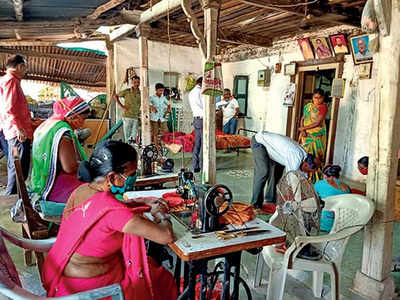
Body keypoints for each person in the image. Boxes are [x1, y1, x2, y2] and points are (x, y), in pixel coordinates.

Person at [42, 140, 178, 299]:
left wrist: (143, 202)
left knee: (150, 265)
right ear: (112, 177)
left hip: (63, 272)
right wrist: (161, 214)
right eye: (130, 175)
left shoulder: (81, 191)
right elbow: (166, 235)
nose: (132, 179)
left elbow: (110, 207)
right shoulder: (114, 212)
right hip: (93, 288)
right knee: (160, 278)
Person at [29, 97, 90, 205]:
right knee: (94, 191)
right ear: (73, 115)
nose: (83, 123)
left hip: (38, 180)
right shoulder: (63, 131)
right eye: (83, 119)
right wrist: (88, 165)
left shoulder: (48, 124)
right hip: (51, 186)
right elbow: (69, 167)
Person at [251, 130, 320, 211]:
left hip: (274, 150)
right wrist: (297, 197)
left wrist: (306, 194)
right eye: (309, 171)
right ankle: (255, 205)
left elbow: (302, 180)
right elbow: (290, 180)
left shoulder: (305, 160)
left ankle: (270, 201)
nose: (308, 173)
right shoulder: (296, 157)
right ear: (306, 165)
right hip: (260, 141)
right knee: (263, 172)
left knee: (276, 174)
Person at [0, 55, 33, 195]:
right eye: (25, 67)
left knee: (15, 167)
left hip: (13, 132)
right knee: (18, 169)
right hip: (18, 134)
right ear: (20, 66)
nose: (25, 71)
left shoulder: (5, 80)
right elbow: (9, 108)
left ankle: (14, 199)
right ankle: (11, 201)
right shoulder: (11, 81)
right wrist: (19, 128)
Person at [299, 89, 328, 163]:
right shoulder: (308, 106)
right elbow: (303, 119)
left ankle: (315, 173)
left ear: (323, 98)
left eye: (320, 98)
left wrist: (303, 128)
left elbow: (318, 123)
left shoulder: (323, 107)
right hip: (305, 134)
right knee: (303, 154)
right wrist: (303, 131)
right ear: (312, 97)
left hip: (317, 135)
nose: (317, 100)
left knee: (316, 157)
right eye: (315, 97)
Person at [114, 75, 141, 144]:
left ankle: (133, 149)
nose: (136, 84)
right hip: (127, 116)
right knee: (127, 136)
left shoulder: (141, 93)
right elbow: (115, 96)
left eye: (138, 82)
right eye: (135, 82)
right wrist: (122, 106)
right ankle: (127, 150)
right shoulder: (127, 91)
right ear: (132, 83)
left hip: (135, 117)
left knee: (134, 136)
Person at [188, 77, 204, 173]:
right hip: (203, 119)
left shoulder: (191, 92)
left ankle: (196, 166)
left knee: (197, 143)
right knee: (204, 144)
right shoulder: (201, 92)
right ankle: (203, 166)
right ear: (202, 83)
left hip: (196, 119)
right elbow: (205, 105)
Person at [150, 83, 171, 150]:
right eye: (160, 90)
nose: (161, 92)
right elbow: (148, 104)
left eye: (162, 91)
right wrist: (152, 107)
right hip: (154, 118)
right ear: (156, 90)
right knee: (155, 133)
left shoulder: (163, 98)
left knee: (165, 131)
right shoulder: (152, 97)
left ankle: (162, 144)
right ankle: (156, 147)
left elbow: (169, 104)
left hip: (162, 117)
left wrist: (168, 108)